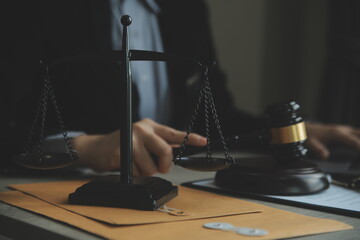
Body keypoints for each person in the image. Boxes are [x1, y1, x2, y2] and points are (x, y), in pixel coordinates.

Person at [6, 0, 360, 175]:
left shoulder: (184, 8)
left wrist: (290, 131)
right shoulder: (36, 10)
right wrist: (86, 146)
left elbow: (214, 119)